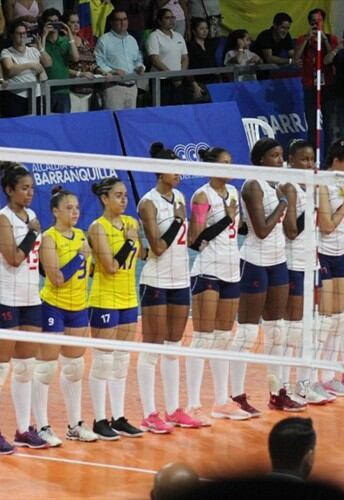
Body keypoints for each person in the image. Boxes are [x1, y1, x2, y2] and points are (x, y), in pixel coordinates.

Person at [0, 162, 49, 454]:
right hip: (4, 300)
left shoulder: (31, 215)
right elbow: (13, 258)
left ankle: (23, 429)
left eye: (32, 188)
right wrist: (33, 233)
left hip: (31, 300)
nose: (30, 193)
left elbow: (37, 261)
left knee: (25, 369)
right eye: (24, 188)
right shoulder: (1, 219)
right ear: (9, 190)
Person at [136, 143, 202, 433]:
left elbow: (187, 242)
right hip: (156, 281)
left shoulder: (180, 197)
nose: (179, 174)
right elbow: (158, 247)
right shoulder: (147, 203)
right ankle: (149, 413)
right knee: (152, 349)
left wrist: (197, 216)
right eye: (174, 169)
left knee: (174, 348)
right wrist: (177, 219)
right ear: (161, 172)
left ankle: (174, 410)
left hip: (180, 280)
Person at [238, 138, 304, 414]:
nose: (280, 161)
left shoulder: (277, 186)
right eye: (275, 156)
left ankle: (278, 392)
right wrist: (282, 203)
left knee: (278, 330)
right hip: (254, 261)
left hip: (279, 261)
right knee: (248, 333)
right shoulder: (253, 185)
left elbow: (290, 230)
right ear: (262, 159)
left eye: (281, 156)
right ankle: (236, 395)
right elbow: (261, 230)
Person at [186, 147, 250, 422]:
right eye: (224, 163)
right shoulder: (202, 196)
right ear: (212, 167)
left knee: (223, 339)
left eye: (231, 163)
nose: (229, 167)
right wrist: (226, 217)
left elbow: (239, 230)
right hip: (207, 272)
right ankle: (192, 405)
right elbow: (195, 240)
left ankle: (222, 401)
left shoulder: (234, 193)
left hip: (231, 271)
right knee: (203, 339)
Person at [37, 186, 99, 444]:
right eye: (68, 208)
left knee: (74, 368)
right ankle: (41, 426)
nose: (74, 212)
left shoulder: (82, 235)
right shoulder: (49, 238)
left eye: (76, 208)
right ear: (55, 211)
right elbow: (57, 278)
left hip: (79, 308)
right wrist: (79, 257)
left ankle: (75, 425)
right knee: (46, 369)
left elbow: (92, 269)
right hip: (53, 306)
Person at [87, 176, 144, 440]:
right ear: (104, 199)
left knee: (121, 360)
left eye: (125, 195)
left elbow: (142, 256)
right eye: (118, 195)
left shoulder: (131, 223)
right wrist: (130, 242)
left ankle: (118, 417)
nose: (124, 200)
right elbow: (110, 266)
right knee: (103, 361)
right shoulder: (97, 228)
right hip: (104, 299)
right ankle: (99, 420)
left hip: (129, 298)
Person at [279, 140, 330, 405]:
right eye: (303, 160)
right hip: (292, 264)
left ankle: (304, 384)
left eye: (311, 160)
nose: (309, 164)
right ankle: (283, 387)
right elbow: (291, 231)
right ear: (291, 160)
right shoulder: (288, 187)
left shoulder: (311, 187)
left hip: (312, 263)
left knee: (313, 325)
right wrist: (309, 204)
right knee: (294, 328)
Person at [315, 140, 344, 398]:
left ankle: (329, 377)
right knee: (325, 321)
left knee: (339, 320)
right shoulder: (322, 182)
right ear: (338, 162)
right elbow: (327, 225)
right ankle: (314, 377)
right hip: (323, 253)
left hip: (342, 252)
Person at [293, 8, 337, 153]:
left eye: (318, 21)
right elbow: (296, 58)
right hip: (310, 86)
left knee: (329, 127)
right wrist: (307, 39)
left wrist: (323, 39)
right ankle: (311, 158)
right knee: (312, 126)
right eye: (313, 22)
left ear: (323, 22)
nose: (315, 25)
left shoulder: (331, 39)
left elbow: (333, 58)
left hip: (328, 86)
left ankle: (330, 159)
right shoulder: (302, 39)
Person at [95, 8, 145, 110]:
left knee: (130, 123)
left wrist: (140, 66)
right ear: (112, 22)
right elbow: (98, 62)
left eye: (125, 19)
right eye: (119, 20)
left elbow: (137, 58)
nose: (123, 22)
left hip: (132, 87)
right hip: (114, 88)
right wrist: (113, 71)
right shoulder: (104, 40)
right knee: (113, 121)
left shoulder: (132, 40)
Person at [147, 8, 199, 105]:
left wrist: (180, 75)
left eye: (173, 17)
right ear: (159, 21)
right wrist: (172, 75)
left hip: (178, 81)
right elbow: (155, 60)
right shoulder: (154, 36)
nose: (171, 20)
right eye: (167, 18)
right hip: (161, 81)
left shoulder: (178, 36)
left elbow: (185, 57)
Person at [0, 18, 50, 118]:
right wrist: (31, 65)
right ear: (12, 35)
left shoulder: (33, 50)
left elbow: (48, 63)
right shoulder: (6, 52)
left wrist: (40, 48)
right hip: (16, 96)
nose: (22, 36)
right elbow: (10, 69)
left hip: (36, 95)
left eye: (24, 33)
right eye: (19, 33)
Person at [40, 8, 80, 114]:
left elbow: (76, 58)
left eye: (56, 21)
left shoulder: (65, 41)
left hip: (63, 89)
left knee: (63, 125)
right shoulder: (39, 43)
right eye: (50, 22)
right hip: (45, 90)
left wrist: (69, 32)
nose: (53, 24)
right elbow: (45, 62)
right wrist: (43, 36)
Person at [65, 11, 98, 113]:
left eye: (78, 22)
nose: (76, 25)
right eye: (72, 22)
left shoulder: (85, 41)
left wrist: (102, 71)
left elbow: (92, 64)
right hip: (71, 92)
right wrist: (81, 74)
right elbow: (61, 67)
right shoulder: (63, 41)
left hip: (88, 92)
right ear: (66, 25)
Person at [253, 12, 296, 79]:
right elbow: (269, 59)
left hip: (268, 72)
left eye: (288, 28)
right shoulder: (265, 36)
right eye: (283, 28)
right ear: (275, 25)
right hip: (253, 72)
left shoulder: (286, 35)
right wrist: (290, 61)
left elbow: (293, 55)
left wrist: (305, 40)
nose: (285, 31)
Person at [185, 16, 219, 99]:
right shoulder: (189, 46)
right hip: (199, 83)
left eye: (207, 28)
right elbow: (188, 67)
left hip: (213, 81)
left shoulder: (210, 44)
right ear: (194, 31)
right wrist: (194, 85)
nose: (205, 31)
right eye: (201, 29)